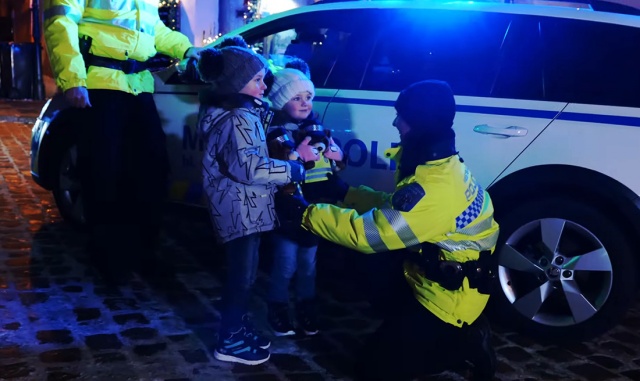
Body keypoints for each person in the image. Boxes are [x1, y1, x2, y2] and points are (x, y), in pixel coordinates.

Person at [298, 80, 500, 380]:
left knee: (372, 370)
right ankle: (409, 325)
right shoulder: (441, 166)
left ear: (419, 123)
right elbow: (396, 210)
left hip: (447, 301)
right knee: (366, 264)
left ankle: (465, 342)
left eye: (401, 115)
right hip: (434, 279)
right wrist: (345, 193)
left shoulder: (434, 186)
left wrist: (302, 212)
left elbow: (368, 234)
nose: (395, 121)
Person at [43, 0, 204, 285]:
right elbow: (60, 23)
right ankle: (108, 258)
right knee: (104, 176)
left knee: (151, 172)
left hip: (137, 85)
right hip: (99, 85)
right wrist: (72, 79)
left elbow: (156, 31)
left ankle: (143, 253)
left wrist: (186, 49)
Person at [196, 47, 313, 365]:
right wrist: (293, 169)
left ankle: (237, 326)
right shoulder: (238, 118)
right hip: (241, 207)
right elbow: (248, 167)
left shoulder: (236, 111)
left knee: (244, 273)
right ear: (236, 83)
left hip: (242, 206)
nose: (265, 86)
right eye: (258, 80)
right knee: (242, 276)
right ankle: (230, 337)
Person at [264, 68, 345, 337]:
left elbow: (333, 166)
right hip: (288, 211)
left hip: (314, 208)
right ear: (281, 101)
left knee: (309, 265)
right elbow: (275, 168)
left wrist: (337, 157)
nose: (304, 103)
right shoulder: (275, 132)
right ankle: (277, 307)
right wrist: (296, 156)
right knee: (285, 263)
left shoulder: (319, 129)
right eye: (296, 97)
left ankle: (305, 307)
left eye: (308, 97)